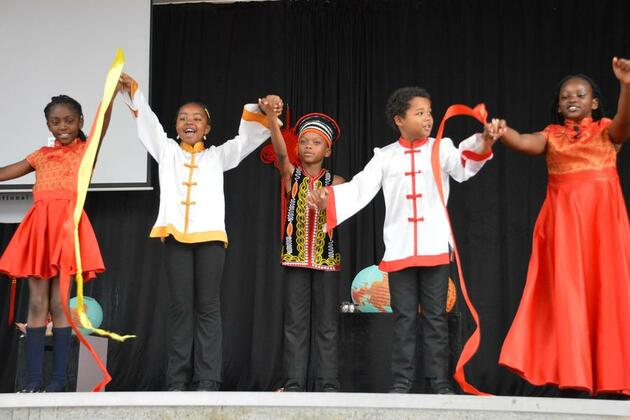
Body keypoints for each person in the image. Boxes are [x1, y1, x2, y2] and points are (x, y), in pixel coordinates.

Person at [309, 86, 501, 394]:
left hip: (435, 247)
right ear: (400, 119)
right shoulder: (385, 157)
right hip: (399, 249)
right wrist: (327, 198)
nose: (427, 118)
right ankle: (401, 382)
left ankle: (439, 381)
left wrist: (485, 140)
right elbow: (359, 188)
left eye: (429, 112)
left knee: (436, 318)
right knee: (403, 319)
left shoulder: (442, 147)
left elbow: (464, 164)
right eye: (419, 112)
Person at [118, 73, 282, 391]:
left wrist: (267, 110)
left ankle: (207, 379)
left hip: (210, 240)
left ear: (207, 128)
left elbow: (246, 140)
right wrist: (133, 91)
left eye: (197, 118)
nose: (189, 122)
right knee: (180, 308)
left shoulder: (217, 156)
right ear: (176, 125)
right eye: (182, 118)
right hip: (175, 238)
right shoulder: (166, 151)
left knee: (208, 308)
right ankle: (177, 380)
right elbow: (148, 123)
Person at [498, 57, 630, 395]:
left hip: (603, 224)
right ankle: (576, 376)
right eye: (565, 96)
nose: (572, 99)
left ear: (594, 102)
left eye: (581, 94)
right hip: (565, 224)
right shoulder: (551, 136)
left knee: (607, 291)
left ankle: (613, 378)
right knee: (569, 295)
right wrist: (502, 131)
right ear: (558, 105)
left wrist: (627, 85)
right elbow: (524, 142)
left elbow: (624, 124)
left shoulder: (606, 130)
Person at [0, 94, 113, 392]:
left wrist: (112, 92)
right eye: (55, 121)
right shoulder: (39, 155)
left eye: (69, 121)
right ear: (48, 124)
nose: (62, 126)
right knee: (37, 302)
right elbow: (5, 173)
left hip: (67, 229)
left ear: (80, 122)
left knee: (61, 304)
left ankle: (58, 381)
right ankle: (34, 380)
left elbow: (103, 124)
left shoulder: (86, 151)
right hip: (40, 229)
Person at [261, 104, 344, 392]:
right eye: (305, 141)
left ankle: (328, 385)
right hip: (295, 260)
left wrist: (329, 197)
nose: (309, 146)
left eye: (316, 142)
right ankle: (294, 384)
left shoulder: (337, 182)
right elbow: (281, 152)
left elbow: (349, 199)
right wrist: (272, 120)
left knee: (327, 326)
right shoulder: (290, 175)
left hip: (326, 261)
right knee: (295, 325)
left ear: (328, 150)